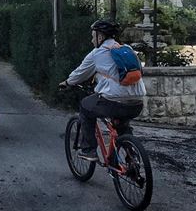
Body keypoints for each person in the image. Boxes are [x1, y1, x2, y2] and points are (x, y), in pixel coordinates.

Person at [59, 20, 146, 160]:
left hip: (114, 101)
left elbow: (80, 73)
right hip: (137, 102)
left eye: (93, 36)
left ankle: (88, 150)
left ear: (100, 37)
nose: (92, 40)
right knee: (121, 125)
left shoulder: (97, 53)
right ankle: (132, 156)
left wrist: (67, 82)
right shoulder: (128, 49)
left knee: (85, 107)